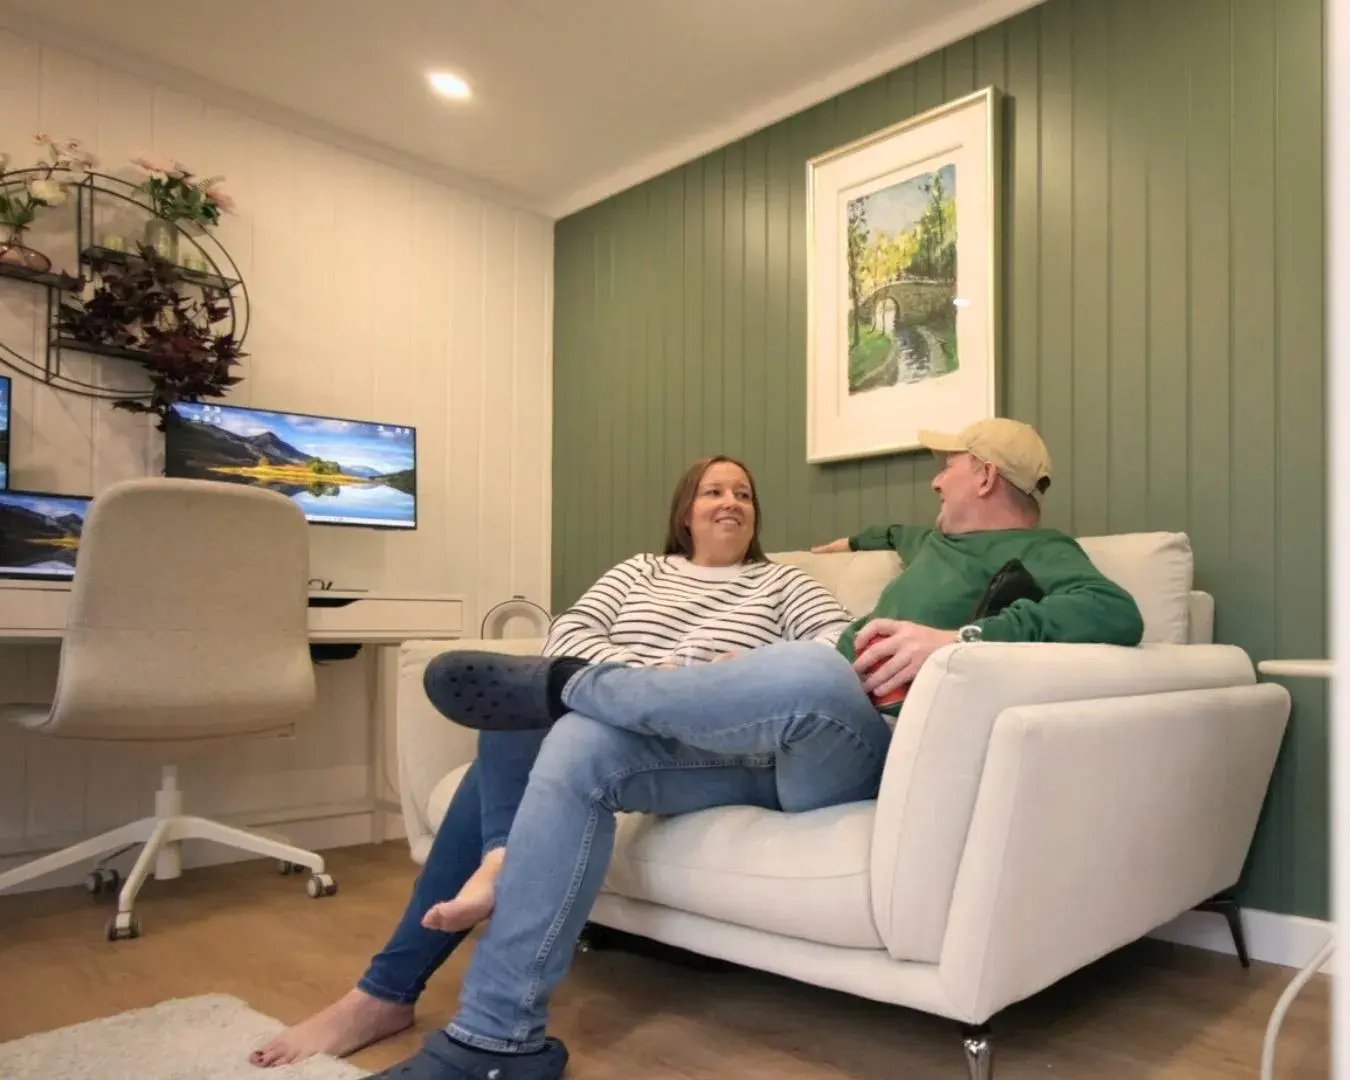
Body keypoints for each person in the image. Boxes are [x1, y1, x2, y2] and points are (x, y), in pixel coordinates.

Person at [368, 418, 1146, 1080]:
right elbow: (887, 534)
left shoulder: (1044, 550)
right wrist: (848, 540)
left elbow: (1113, 613)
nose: (935, 483)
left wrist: (958, 637)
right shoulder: (930, 542)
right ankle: (493, 1040)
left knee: (814, 664)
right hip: (760, 755)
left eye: (946, 469)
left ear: (982, 475)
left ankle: (569, 681)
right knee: (578, 748)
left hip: (852, 750)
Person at [250, 454, 853, 1068]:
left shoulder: (784, 584)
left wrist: (720, 678)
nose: (731, 502)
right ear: (684, 513)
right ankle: (461, 902)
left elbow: (836, 647)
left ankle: (392, 983)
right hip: (609, 719)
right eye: (713, 492)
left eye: (744, 495)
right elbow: (567, 636)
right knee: (524, 704)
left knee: (533, 697)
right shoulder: (638, 573)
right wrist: (646, 680)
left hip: (702, 738)